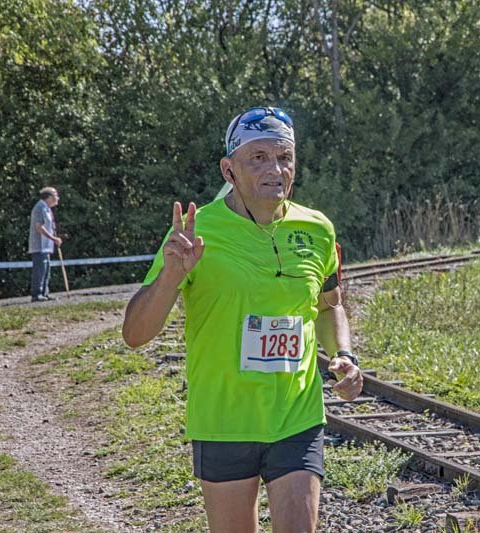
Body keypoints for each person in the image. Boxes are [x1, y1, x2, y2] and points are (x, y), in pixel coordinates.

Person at [122, 106, 363, 533]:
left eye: (284, 157)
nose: (275, 169)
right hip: (223, 421)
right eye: (258, 158)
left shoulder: (318, 229)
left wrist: (343, 353)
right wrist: (170, 278)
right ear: (228, 169)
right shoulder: (196, 231)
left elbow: (329, 306)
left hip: (297, 416)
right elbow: (135, 334)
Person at [28, 186, 62, 302]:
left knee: (46, 270)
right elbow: (39, 227)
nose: (58, 198)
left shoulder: (47, 208)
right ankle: (36, 294)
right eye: (55, 195)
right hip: (39, 246)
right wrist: (53, 238)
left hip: (46, 246)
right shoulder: (40, 208)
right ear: (49, 197)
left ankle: (44, 293)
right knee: (39, 270)